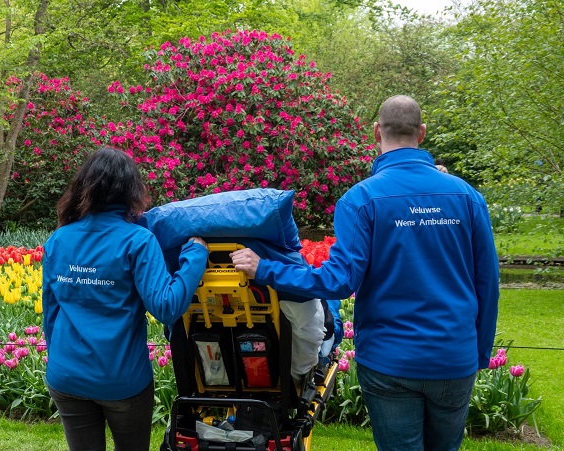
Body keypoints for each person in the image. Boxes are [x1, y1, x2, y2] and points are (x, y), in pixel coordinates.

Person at [230, 95, 500, 451]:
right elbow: (488, 284)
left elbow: (337, 282)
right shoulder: (466, 196)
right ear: (422, 133)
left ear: (376, 132)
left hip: (391, 361)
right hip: (454, 358)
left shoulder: (361, 200)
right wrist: (479, 353)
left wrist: (264, 268)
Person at [42, 146, 209, 451]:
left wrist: (61, 361)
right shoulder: (137, 240)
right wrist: (196, 255)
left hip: (66, 376)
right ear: (131, 190)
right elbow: (167, 307)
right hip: (121, 380)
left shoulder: (58, 239)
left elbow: (50, 315)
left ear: (83, 186)